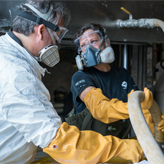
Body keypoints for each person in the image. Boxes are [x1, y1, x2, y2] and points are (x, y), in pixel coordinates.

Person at [0, 0, 162, 163]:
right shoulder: (16, 74)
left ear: (106, 42)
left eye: (94, 41)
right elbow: (59, 141)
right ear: (41, 31)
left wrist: (154, 124)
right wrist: (124, 147)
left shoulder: (14, 62)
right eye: (58, 35)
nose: (57, 43)